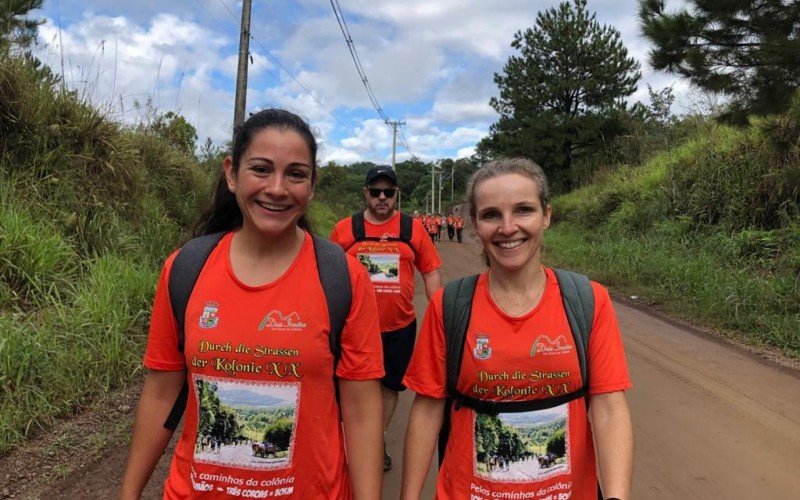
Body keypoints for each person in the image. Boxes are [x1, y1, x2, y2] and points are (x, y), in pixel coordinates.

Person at [120, 109, 384, 500]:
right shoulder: (186, 269)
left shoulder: (343, 278)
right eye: (261, 169)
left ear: (312, 185)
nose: (277, 188)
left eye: (295, 174)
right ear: (231, 173)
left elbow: (362, 414)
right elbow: (161, 393)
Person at [401, 158, 633, 500]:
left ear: (547, 216)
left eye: (523, 210)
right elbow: (427, 409)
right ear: (475, 225)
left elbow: (610, 408)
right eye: (491, 214)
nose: (508, 227)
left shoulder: (588, 300)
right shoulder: (449, 306)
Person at [330, 166, 443, 472]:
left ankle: (374, 440)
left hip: (399, 327)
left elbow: (430, 272)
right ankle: (347, 439)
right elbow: (329, 275)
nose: (382, 198)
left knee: (389, 387)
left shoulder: (412, 229)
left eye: (388, 192)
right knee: (351, 386)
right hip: (353, 329)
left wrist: (438, 317)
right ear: (365, 193)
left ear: (396, 195)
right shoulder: (345, 230)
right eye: (375, 191)